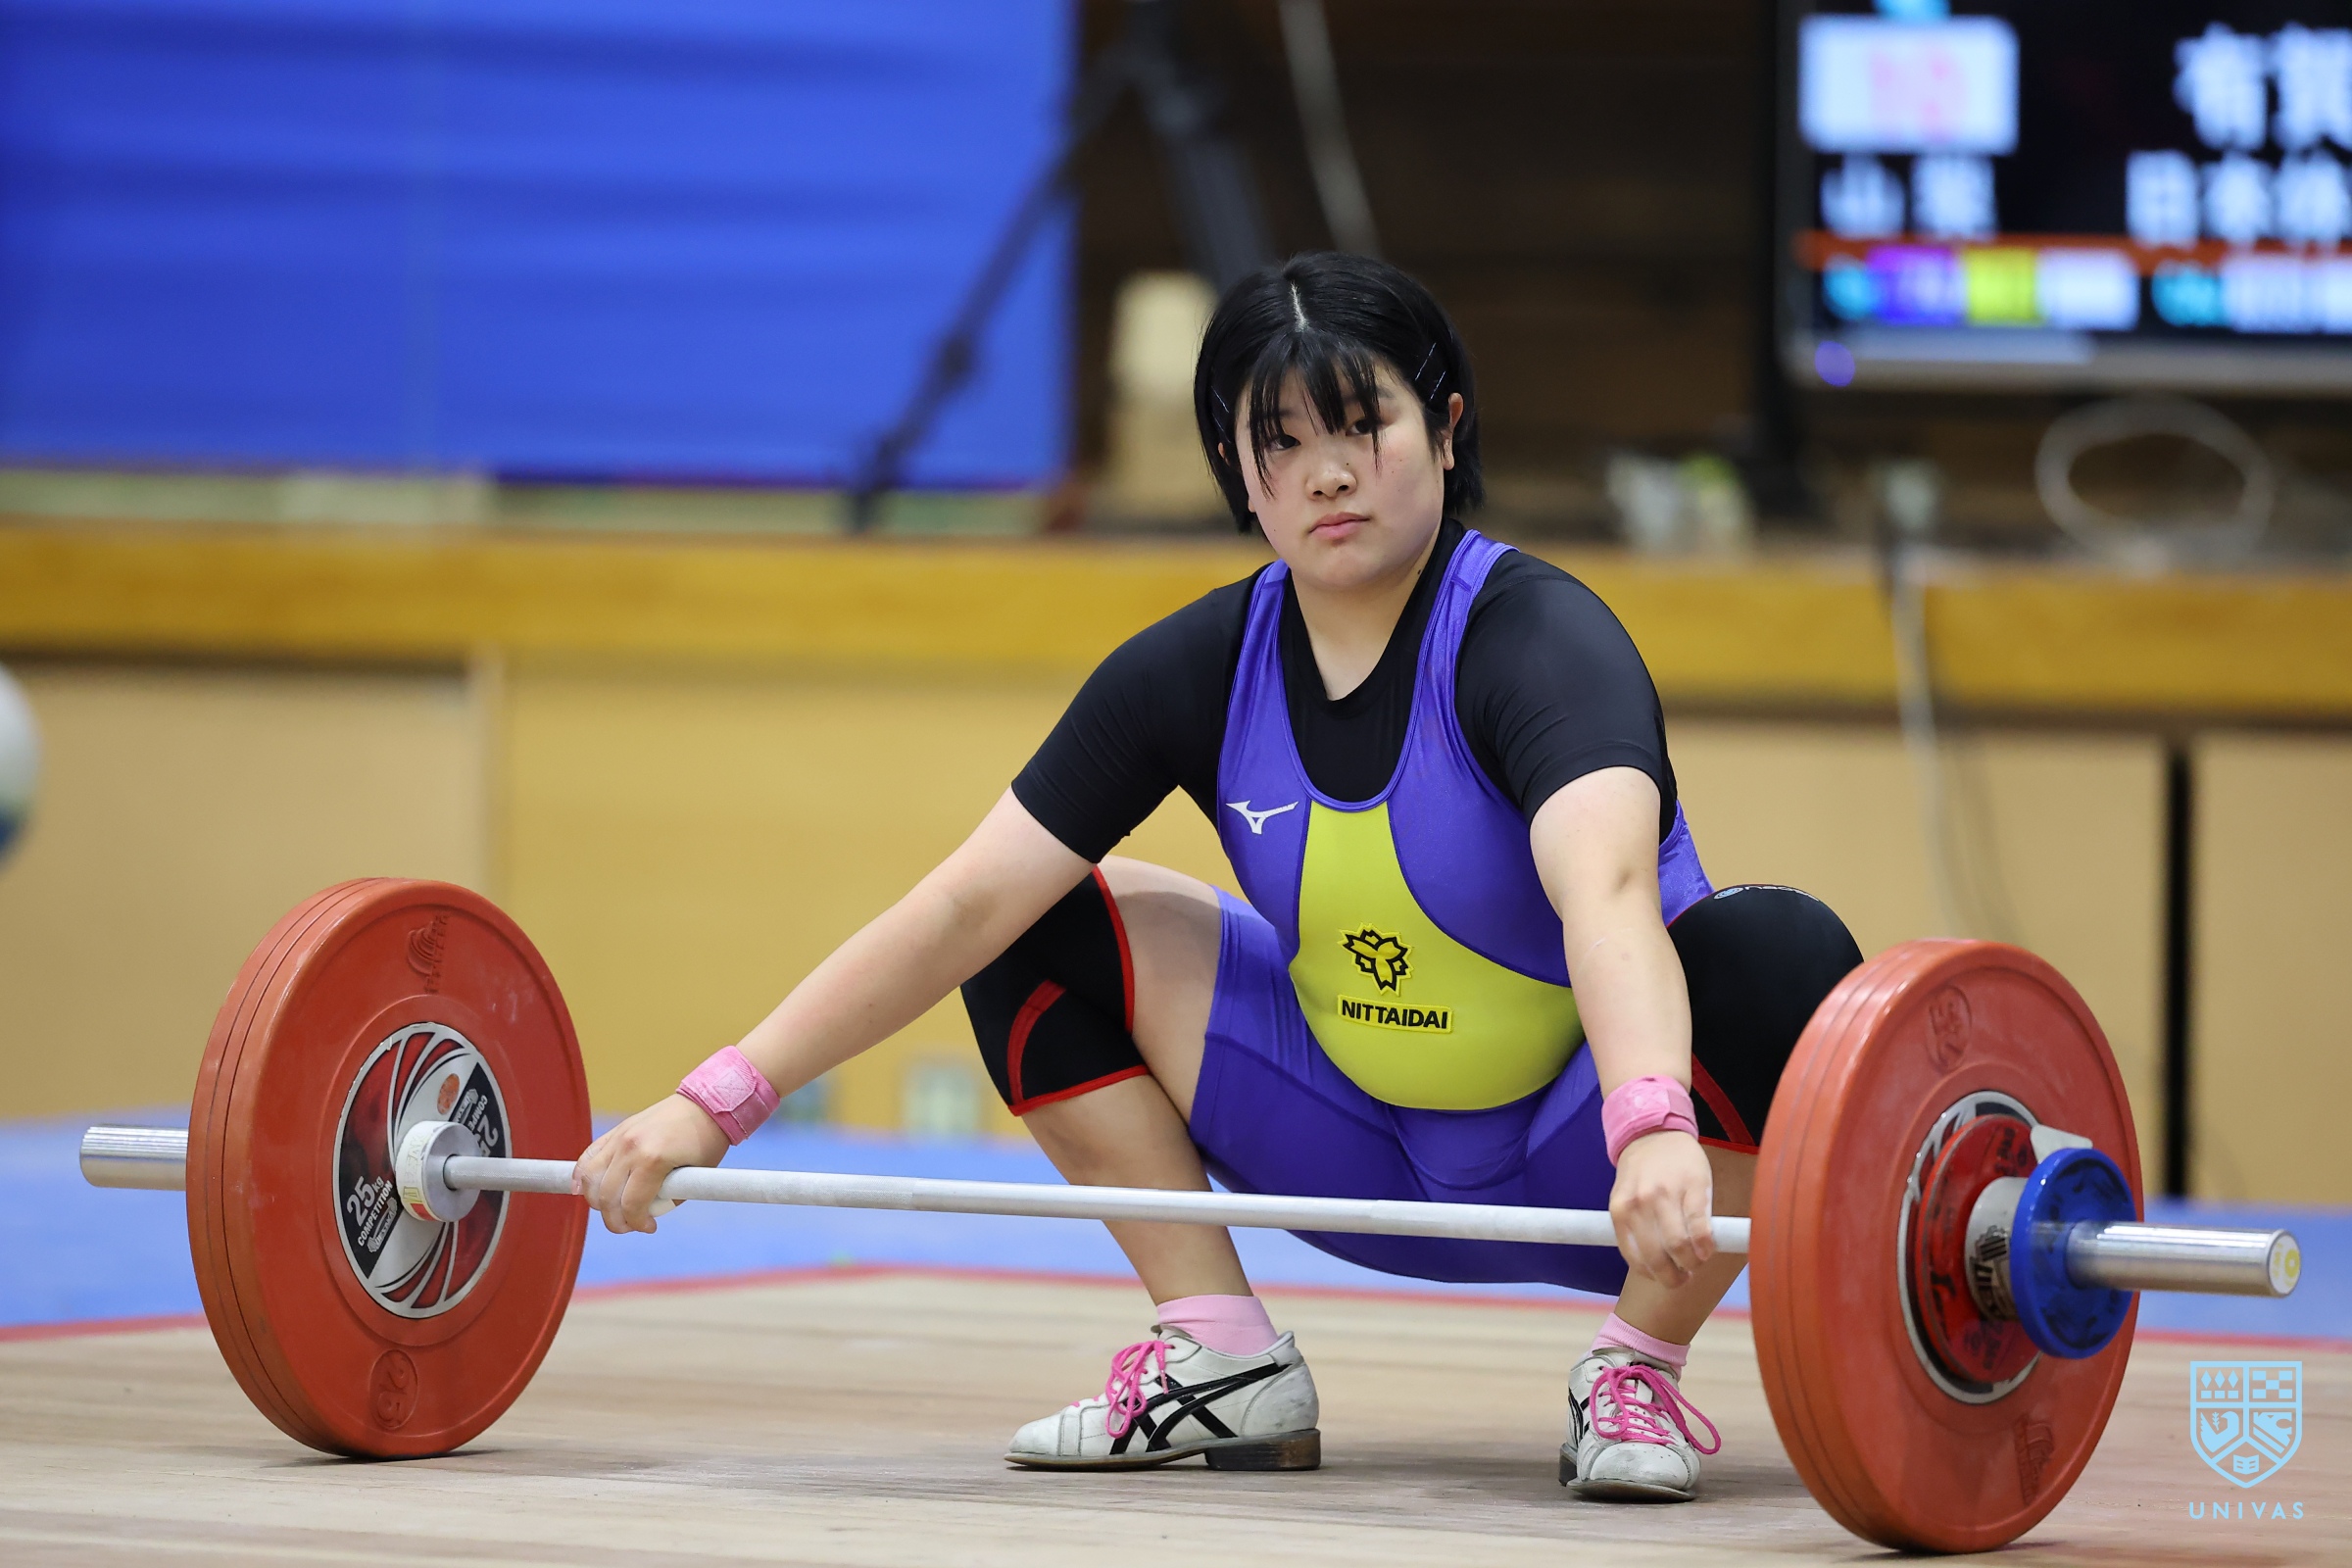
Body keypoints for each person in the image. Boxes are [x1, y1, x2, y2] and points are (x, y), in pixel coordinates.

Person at [575, 253, 1862, 1502]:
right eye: (1281, 443)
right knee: (1027, 926)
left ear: (1448, 425)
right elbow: (962, 904)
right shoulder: (1197, 667)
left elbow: (1612, 898)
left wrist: (1649, 1125)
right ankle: (1221, 1350)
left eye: (1364, 425)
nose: (1328, 474)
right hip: (1349, 1149)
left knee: (1781, 953)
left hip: (1607, 1177)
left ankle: (1636, 1368)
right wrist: (715, 1104)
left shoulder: (1541, 643)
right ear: (1241, 475)